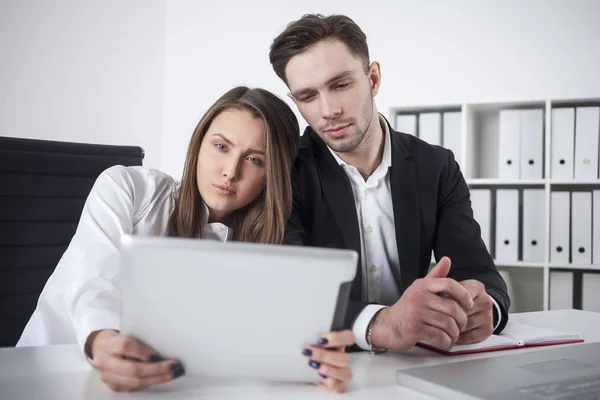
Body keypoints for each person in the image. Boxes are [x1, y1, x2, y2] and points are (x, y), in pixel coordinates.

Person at [17, 86, 355, 393]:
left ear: (273, 175)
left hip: (160, 387)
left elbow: (245, 341)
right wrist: (102, 340)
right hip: (45, 372)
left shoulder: (264, 249)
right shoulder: (127, 188)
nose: (230, 171)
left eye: (254, 160)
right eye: (221, 147)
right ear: (199, 143)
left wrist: (308, 359)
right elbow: (93, 284)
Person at [269, 14, 510, 354]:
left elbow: (480, 274)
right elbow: (288, 293)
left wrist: (485, 309)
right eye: (308, 96)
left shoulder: (437, 167)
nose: (328, 110)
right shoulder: (283, 171)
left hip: (417, 361)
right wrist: (381, 323)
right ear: (295, 101)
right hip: (327, 365)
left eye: (340, 85)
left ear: (373, 78)